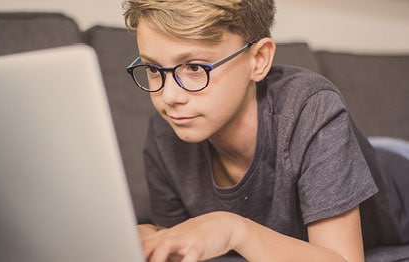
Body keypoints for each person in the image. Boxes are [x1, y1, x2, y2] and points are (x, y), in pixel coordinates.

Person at [122, 0, 409, 261]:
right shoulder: (165, 134)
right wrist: (156, 237)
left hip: (397, 167)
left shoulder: (311, 108)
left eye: (195, 67)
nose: (170, 96)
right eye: (154, 69)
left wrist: (234, 229)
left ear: (258, 59)